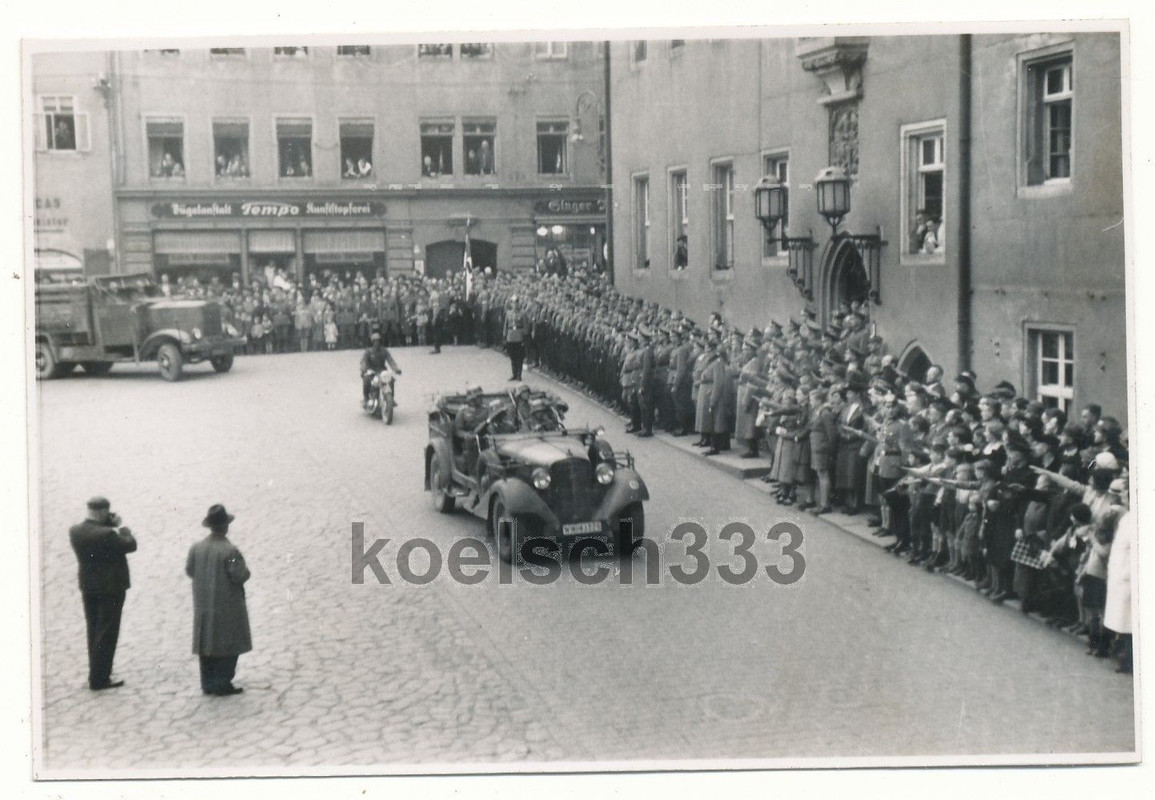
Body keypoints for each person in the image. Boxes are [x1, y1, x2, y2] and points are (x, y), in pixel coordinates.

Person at [69, 497, 137, 691]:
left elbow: (96, 535)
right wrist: (121, 526)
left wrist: (107, 524)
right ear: (103, 512)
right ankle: (101, 678)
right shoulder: (108, 534)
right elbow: (130, 544)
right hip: (111, 588)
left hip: (88, 586)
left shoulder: (75, 531)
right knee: (107, 632)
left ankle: (95, 673)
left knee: (94, 629)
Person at [186, 505, 252, 696]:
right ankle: (223, 683)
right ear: (225, 527)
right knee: (228, 643)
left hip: (203, 604)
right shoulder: (229, 551)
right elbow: (240, 575)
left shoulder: (196, 548)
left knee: (205, 644)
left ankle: (207, 683)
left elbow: (190, 570)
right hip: (226, 605)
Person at [360, 332, 402, 406]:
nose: (377, 342)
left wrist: (396, 369)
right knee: (366, 380)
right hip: (371, 371)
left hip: (382, 371)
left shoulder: (384, 351)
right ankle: (365, 398)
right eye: (375, 341)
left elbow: (390, 360)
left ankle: (391, 398)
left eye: (378, 340)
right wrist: (364, 369)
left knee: (391, 379)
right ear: (372, 342)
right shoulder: (368, 351)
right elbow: (363, 361)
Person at [504, 296, 527, 381]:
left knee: (519, 357)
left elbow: (525, 326)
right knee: (512, 356)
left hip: (519, 335)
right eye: (513, 303)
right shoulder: (508, 313)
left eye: (516, 303)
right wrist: (505, 335)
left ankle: (519, 375)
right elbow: (506, 325)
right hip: (511, 336)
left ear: (518, 304)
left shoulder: (523, 313)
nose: (514, 305)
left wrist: (524, 337)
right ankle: (514, 374)